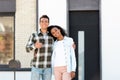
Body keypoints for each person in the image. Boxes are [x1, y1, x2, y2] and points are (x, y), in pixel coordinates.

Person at [26, 15, 54, 80]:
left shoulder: (52, 36)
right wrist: (34, 46)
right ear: (39, 23)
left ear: (48, 23)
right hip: (36, 66)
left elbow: (59, 44)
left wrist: (70, 45)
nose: (44, 23)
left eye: (46, 21)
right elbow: (27, 48)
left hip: (48, 67)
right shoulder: (34, 35)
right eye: (42, 21)